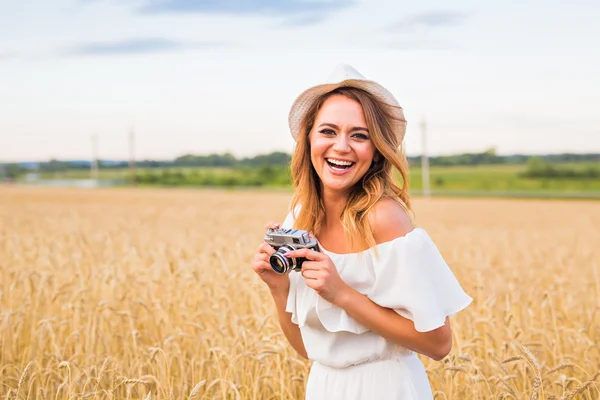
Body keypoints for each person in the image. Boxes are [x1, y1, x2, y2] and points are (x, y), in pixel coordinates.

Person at [251, 64, 472, 399]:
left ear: (376, 149)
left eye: (359, 135)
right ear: (308, 139)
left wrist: (341, 293)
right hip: (324, 386)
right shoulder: (299, 217)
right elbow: (306, 348)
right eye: (328, 131)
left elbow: (439, 344)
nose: (342, 147)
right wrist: (279, 288)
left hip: (385, 388)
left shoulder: (385, 219)